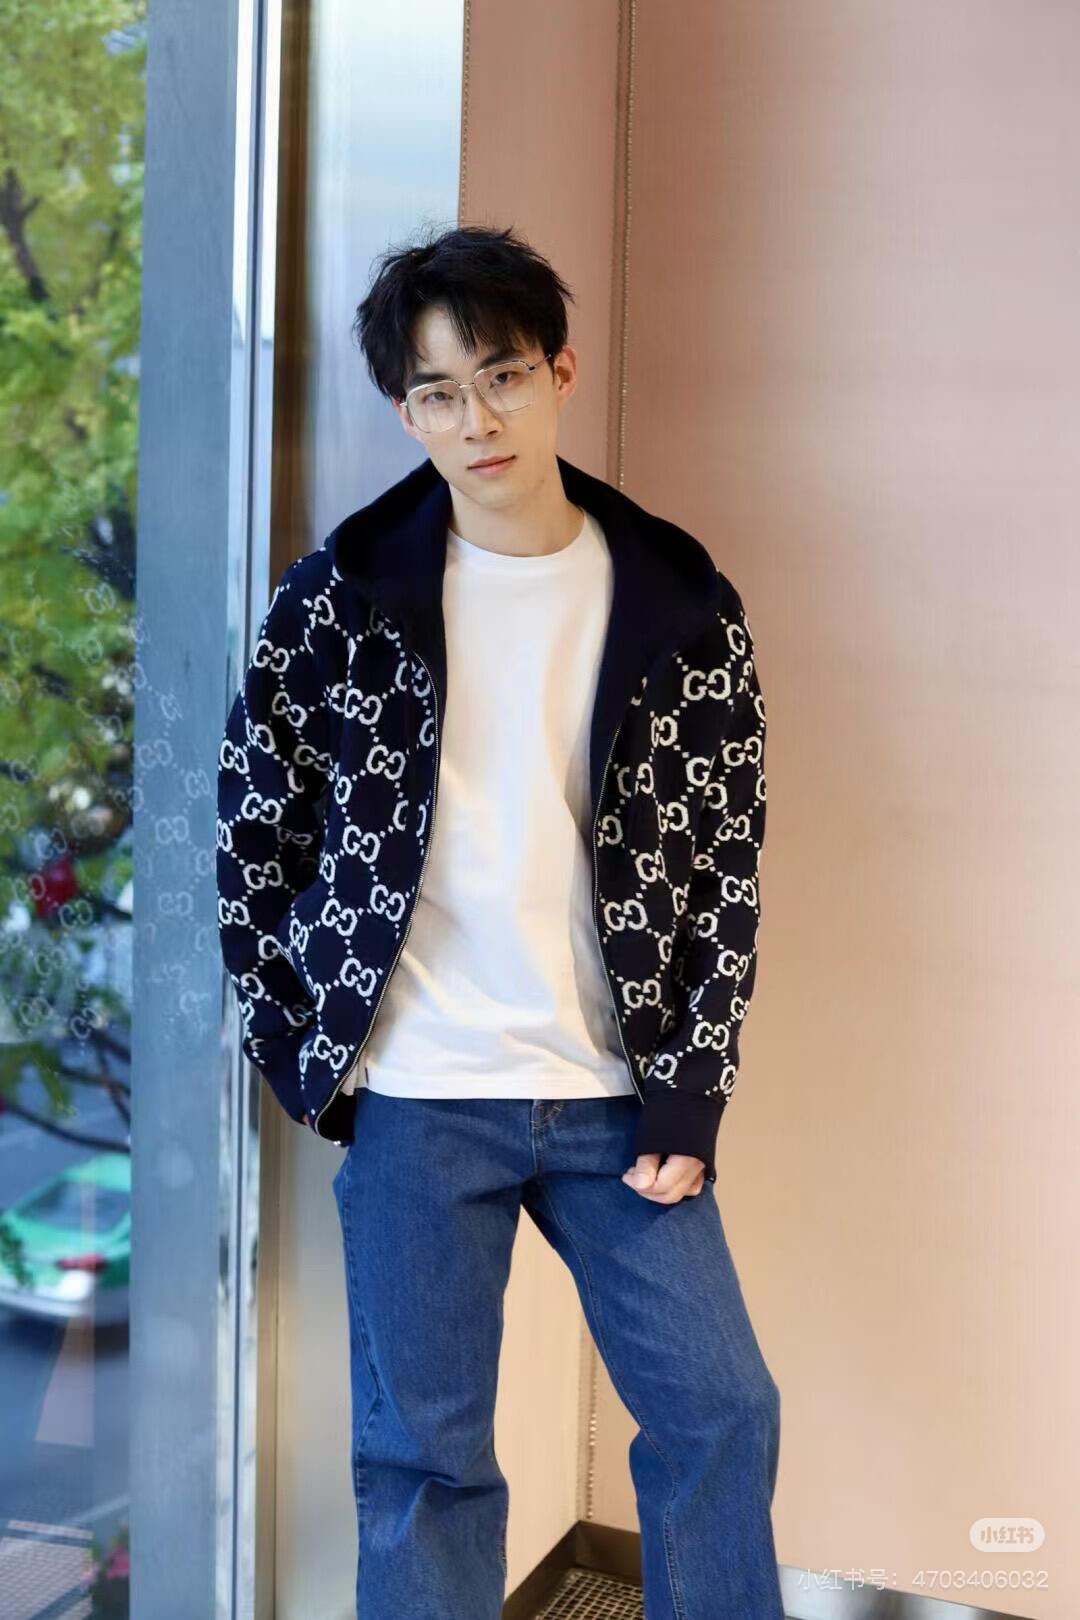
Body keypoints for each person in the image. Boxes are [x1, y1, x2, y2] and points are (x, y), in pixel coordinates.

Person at [216, 223, 783, 1620]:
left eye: (504, 378)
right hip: (418, 1092)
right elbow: (252, 831)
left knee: (722, 1411)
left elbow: (725, 862)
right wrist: (301, 1046)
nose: (476, 421)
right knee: (426, 1464)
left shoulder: (679, 601)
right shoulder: (340, 603)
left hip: (613, 1094)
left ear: (559, 372)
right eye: (438, 393)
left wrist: (692, 1088)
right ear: (404, 410)